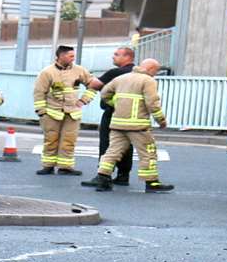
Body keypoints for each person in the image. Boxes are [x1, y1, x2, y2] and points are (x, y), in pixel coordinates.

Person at [84, 58, 173, 193]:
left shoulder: (121, 78)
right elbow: (152, 103)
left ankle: (103, 178)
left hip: (117, 123)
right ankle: (152, 182)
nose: (156, 73)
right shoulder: (148, 81)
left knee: (112, 151)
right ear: (151, 69)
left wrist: (116, 104)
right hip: (138, 125)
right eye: (156, 70)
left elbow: (104, 94)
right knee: (148, 152)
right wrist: (161, 120)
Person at [31, 45, 93, 175]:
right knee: (50, 139)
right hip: (52, 113)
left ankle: (65, 167)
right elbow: (39, 92)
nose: (73, 58)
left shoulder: (80, 70)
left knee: (69, 140)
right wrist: (41, 111)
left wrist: (84, 100)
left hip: (73, 113)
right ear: (61, 56)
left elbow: (93, 85)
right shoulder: (47, 72)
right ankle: (48, 166)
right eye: (70, 55)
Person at [85, 45, 136, 185]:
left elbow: (95, 84)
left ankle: (103, 176)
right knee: (126, 145)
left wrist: (81, 77)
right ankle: (123, 175)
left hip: (113, 114)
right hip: (132, 116)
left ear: (127, 57)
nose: (113, 56)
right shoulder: (138, 74)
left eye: (117, 54)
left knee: (107, 144)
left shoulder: (115, 73)